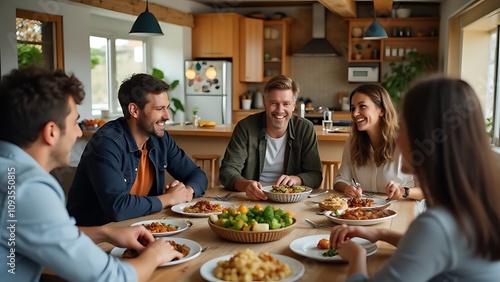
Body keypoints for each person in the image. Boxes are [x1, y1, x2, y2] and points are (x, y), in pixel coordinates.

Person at [0, 67, 183, 282]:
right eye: (75, 123)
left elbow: (47, 232)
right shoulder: (29, 189)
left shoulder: (10, 174)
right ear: (51, 132)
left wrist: (107, 234)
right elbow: (112, 278)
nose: (79, 133)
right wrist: (155, 255)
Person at [329, 77, 500, 281]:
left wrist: (357, 255)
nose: (397, 136)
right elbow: (432, 247)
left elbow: (433, 238)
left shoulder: (436, 225)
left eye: (404, 126)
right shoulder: (474, 205)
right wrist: (381, 234)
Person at [67, 73, 207, 226]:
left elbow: (196, 174)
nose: (167, 116)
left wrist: (187, 192)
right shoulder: (106, 144)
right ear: (134, 110)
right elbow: (118, 207)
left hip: (139, 227)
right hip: (95, 237)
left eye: (167, 108)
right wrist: (170, 199)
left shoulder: (160, 139)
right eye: (159, 109)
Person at [219, 74, 322, 200]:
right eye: (274, 103)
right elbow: (227, 171)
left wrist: (297, 179)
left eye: (286, 104)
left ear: (294, 105)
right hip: (253, 198)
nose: (280, 110)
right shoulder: (245, 127)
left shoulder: (305, 128)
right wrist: (246, 185)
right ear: (264, 102)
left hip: (290, 199)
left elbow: (316, 175)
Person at [333, 84, 424, 200]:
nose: (355, 113)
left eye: (362, 106)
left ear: (382, 110)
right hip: (365, 212)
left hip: (402, 209)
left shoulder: (407, 141)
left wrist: (403, 191)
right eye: (353, 108)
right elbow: (339, 180)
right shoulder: (352, 142)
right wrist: (347, 188)